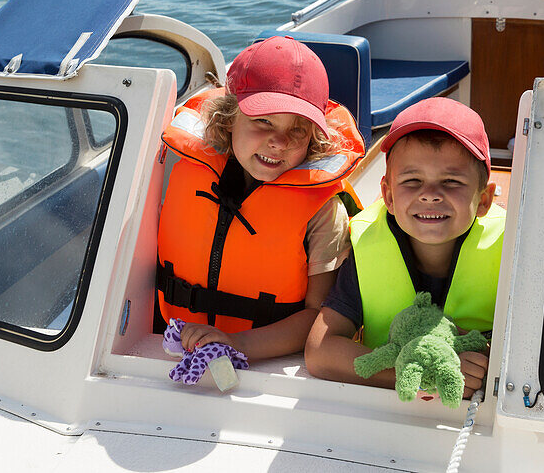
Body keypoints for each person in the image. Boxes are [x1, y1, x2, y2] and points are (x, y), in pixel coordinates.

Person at [156, 35, 365, 361]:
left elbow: (320, 315)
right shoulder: (180, 167)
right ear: (228, 118)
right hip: (172, 342)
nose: (278, 142)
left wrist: (236, 344)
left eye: (297, 129)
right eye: (263, 121)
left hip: (273, 363)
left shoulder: (325, 209)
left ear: (313, 139)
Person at [304, 97, 505, 400]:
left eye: (451, 181)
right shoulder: (368, 246)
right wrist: (426, 373)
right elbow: (320, 351)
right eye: (412, 180)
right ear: (388, 195)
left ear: (485, 200)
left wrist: (489, 365)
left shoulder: (510, 250)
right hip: (391, 410)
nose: (431, 195)